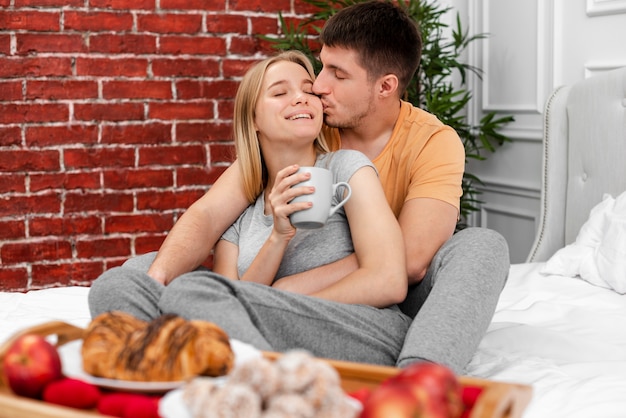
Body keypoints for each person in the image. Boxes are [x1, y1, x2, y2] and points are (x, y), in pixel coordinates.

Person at [99, 0, 509, 374]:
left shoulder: (430, 142)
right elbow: (208, 214)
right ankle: (181, 354)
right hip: (288, 303)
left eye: (338, 73)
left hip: (396, 299)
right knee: (136, 277)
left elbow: (407, 261)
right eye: (322, 66)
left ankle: (422, 375)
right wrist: (158, 279)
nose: (318, 86)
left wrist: (282, 293)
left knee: (480, 245)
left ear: (385, 86)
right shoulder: (306, 132)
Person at [89, 51, 412, 366]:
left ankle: (252, 379)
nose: (301, 98)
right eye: (280, 92)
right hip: (272, 335)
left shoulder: (346, 168)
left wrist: (284, 299)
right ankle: (165, 368)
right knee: (118, 281)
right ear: (253, 120)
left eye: (308, 90)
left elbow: (390, 281)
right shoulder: (242, 211)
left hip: (360, 328)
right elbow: (235, 296)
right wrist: (278, 237)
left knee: (193, 291)